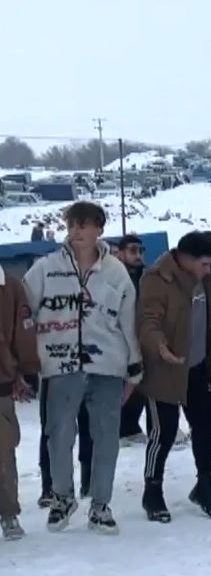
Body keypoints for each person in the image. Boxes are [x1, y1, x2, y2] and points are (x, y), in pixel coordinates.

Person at [22, 201, 143, 533]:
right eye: (72, 224)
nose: (76, 231)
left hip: (108, 365)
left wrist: (134, 367)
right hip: (60, 364)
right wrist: (27, 358)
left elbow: (128, 320)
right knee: (59, 434)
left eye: (83, 225)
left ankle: (101, 504)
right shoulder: (45, 269)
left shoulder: (116, 272)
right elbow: (24, 313)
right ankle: (62, 497)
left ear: (98, 230)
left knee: (106, 437)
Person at [138, 232, 211, 523]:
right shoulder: (156, 280)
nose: (208, 270)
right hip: (165, 368)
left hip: (198, 366)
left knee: (206, 428)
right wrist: (159, 346)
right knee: (164, 432)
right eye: (204, 264)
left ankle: (206, 486)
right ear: (185, 259)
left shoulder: (207, 278)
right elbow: (148, 321)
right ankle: (152, 490)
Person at [0, 252, 40, 540]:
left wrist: (26, 370)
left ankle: (8, 513)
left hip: (1, 381)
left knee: (3, 453)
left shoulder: (10, 287)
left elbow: (23, 332)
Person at [113, 234, 148, 443]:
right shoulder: (113, 277)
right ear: (121, 253)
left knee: (141, 385)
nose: (138, 255)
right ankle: (121, 429)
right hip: (118, 339)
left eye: (141, 251)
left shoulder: (147, 277)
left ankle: (131, 427)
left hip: (142, 338)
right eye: (133, 250)